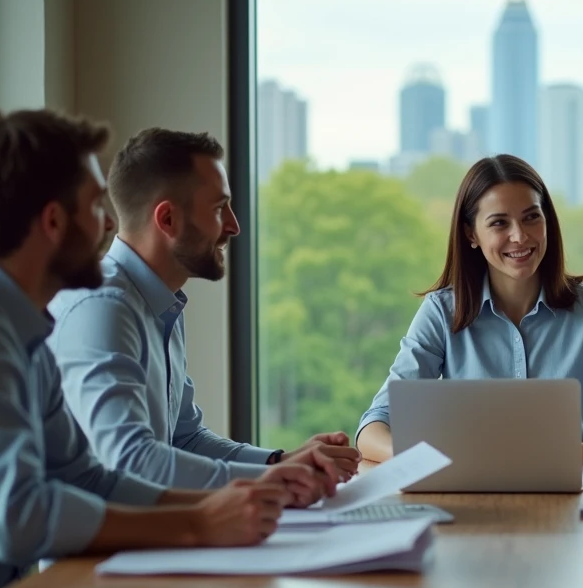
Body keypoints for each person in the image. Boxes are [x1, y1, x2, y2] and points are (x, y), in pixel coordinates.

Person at [0, 108, 311, 588]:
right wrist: (198, 523)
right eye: (97, 207)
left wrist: (239, 500)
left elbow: (86, 477)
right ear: (53, 222)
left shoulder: (20, 329)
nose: (111, 225)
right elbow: (21, 518)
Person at [49, 128, 360, 491]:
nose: (234, 225)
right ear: (167, 220)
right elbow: (132, 461)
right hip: (97, 548)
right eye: (218, 209)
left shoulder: (160, 304)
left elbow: (186, 439)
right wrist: (276, 481)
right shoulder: (103, 308)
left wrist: (280, 461)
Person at [357, 154, 583, 468]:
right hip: (465, 500)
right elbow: (374, 427)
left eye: (532, 217)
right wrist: (433, 462)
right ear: (471, 234)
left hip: (565, 500)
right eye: (499, 223)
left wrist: (563, 458)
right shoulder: (440, 312)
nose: (519, 236)